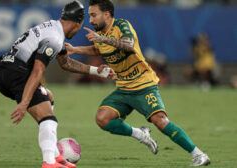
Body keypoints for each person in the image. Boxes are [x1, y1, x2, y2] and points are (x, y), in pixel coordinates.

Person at [65, 0, 210, 166]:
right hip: (123, 89)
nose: (90, 20)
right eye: (89, 16)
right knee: (103, 119)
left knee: (161, 121)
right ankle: (140, 134)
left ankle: (198, 155)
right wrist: (75, 50)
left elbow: (128, 45)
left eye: (93, 15)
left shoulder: (122, 25)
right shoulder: (100, 34)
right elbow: (98, 48)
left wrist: (101, 38)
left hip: (143, 85)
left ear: (107, 14)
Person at [0, 1, 115, 168]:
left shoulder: (52, 28)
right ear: (77, 23)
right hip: (17, 74)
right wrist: (24, 103)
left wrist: (96, 71)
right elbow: (37, 72)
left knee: (48, 97)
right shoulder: (55, 39)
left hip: (6, 72)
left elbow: (66, 64)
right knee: (48, 118)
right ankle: (49, 162)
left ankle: (55, 156)